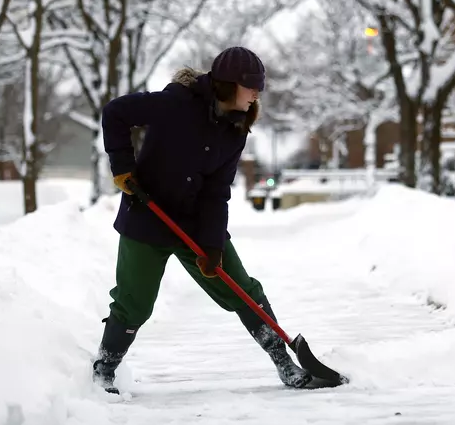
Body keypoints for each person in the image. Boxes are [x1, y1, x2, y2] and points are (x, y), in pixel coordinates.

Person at [91, 46, 312, 393]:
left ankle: (285, 364)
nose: (257, 94)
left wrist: (211, 245)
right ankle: (104, 368)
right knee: (135, 302)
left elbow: (216, 192)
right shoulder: (175, 103)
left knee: (243, 289)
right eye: (251, 86)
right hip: (147, 217)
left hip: (193, 224)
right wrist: (123, 167)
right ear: (229, 84)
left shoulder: (235, 131)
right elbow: (115, 113)